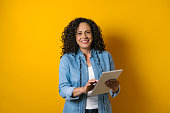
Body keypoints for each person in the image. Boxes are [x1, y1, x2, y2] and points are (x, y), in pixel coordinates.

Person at [59, 17, 120, 113]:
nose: (84, 36)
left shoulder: (106, 56)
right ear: (73, 37)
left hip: (103, 110)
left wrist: (115, 87)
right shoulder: (66, 59)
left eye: (87, 32)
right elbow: (62, 90)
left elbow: (114, 89)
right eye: (79, 33)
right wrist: (83, 89)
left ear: (93, 34)